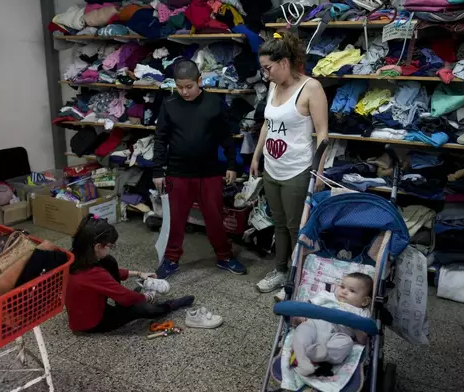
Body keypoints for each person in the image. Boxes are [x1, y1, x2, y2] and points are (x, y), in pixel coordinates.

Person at [251, 32, 329, 299]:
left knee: (298, 227)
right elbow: (267, 124)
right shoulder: (274, 86)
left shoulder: (311, 88)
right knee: (280, 223)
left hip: (297, 169)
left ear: (284, 62)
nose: (265, 74)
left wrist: (319, 170)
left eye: (268, 68)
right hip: (273, 168)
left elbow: (322, 134)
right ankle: (281, 271)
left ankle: (299, 279)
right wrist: (256, 155)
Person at [153, 59, 247, 279]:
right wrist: (158, 170)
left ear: (199, 81)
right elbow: (160, 139)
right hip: (177, 172)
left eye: (189, 86)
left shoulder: (214, 103)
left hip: (209, 172)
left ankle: (224, 256)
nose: (184, 92)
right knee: (176, 219)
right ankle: (171, 259)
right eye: (179, 87)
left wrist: (232, 164)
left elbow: (225, 136)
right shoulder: (169, 105)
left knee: (215, 217)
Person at [64, 215, 222, 333]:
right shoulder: (93, 273)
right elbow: (125, 296)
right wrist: (147, 297)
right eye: (110, 245)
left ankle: (135, 294)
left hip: (84, 312)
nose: (111, 248)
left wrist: (139, 274)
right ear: (98, 246)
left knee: (110, 261)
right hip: (92, 323)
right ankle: (170, 305)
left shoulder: (76, 257)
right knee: (143, 309)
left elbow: (106, 276)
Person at [291, 273, 373, 376]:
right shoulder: (327, 296)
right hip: (317, 325)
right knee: (304, 329)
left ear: (364, 301)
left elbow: (363, 340)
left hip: (340, 334)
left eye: (352, 291)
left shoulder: (362, 313)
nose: (344, 291)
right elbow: (308, 307)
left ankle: (321, 353)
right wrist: (301, 316)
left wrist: (355, 326)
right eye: (342, 287)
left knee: (346, 343)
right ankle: (304, 362)